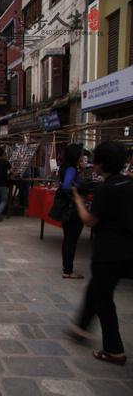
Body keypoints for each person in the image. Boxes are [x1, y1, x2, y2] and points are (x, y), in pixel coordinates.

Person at [67, 141, 132, 366]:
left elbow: (90, 221)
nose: (92, 165)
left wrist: (78, 200)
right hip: (127, 250)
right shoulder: (128, 183)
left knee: (104, 300)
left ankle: (114, 350)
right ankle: (81, 327)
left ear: (102, 163)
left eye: (95, 161)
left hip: (108, 252)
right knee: (96, 290)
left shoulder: (106, 189)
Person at [58, 144, 85, 279]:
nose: (82, 157)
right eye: (80, 154)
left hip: (67, 208)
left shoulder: (66, 167)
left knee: (68, 239)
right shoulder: (71, 169)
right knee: (71, 240)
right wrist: (77, 189)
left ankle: (66, 267)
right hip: (72, 209)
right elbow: (66, 186)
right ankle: (68, 270)